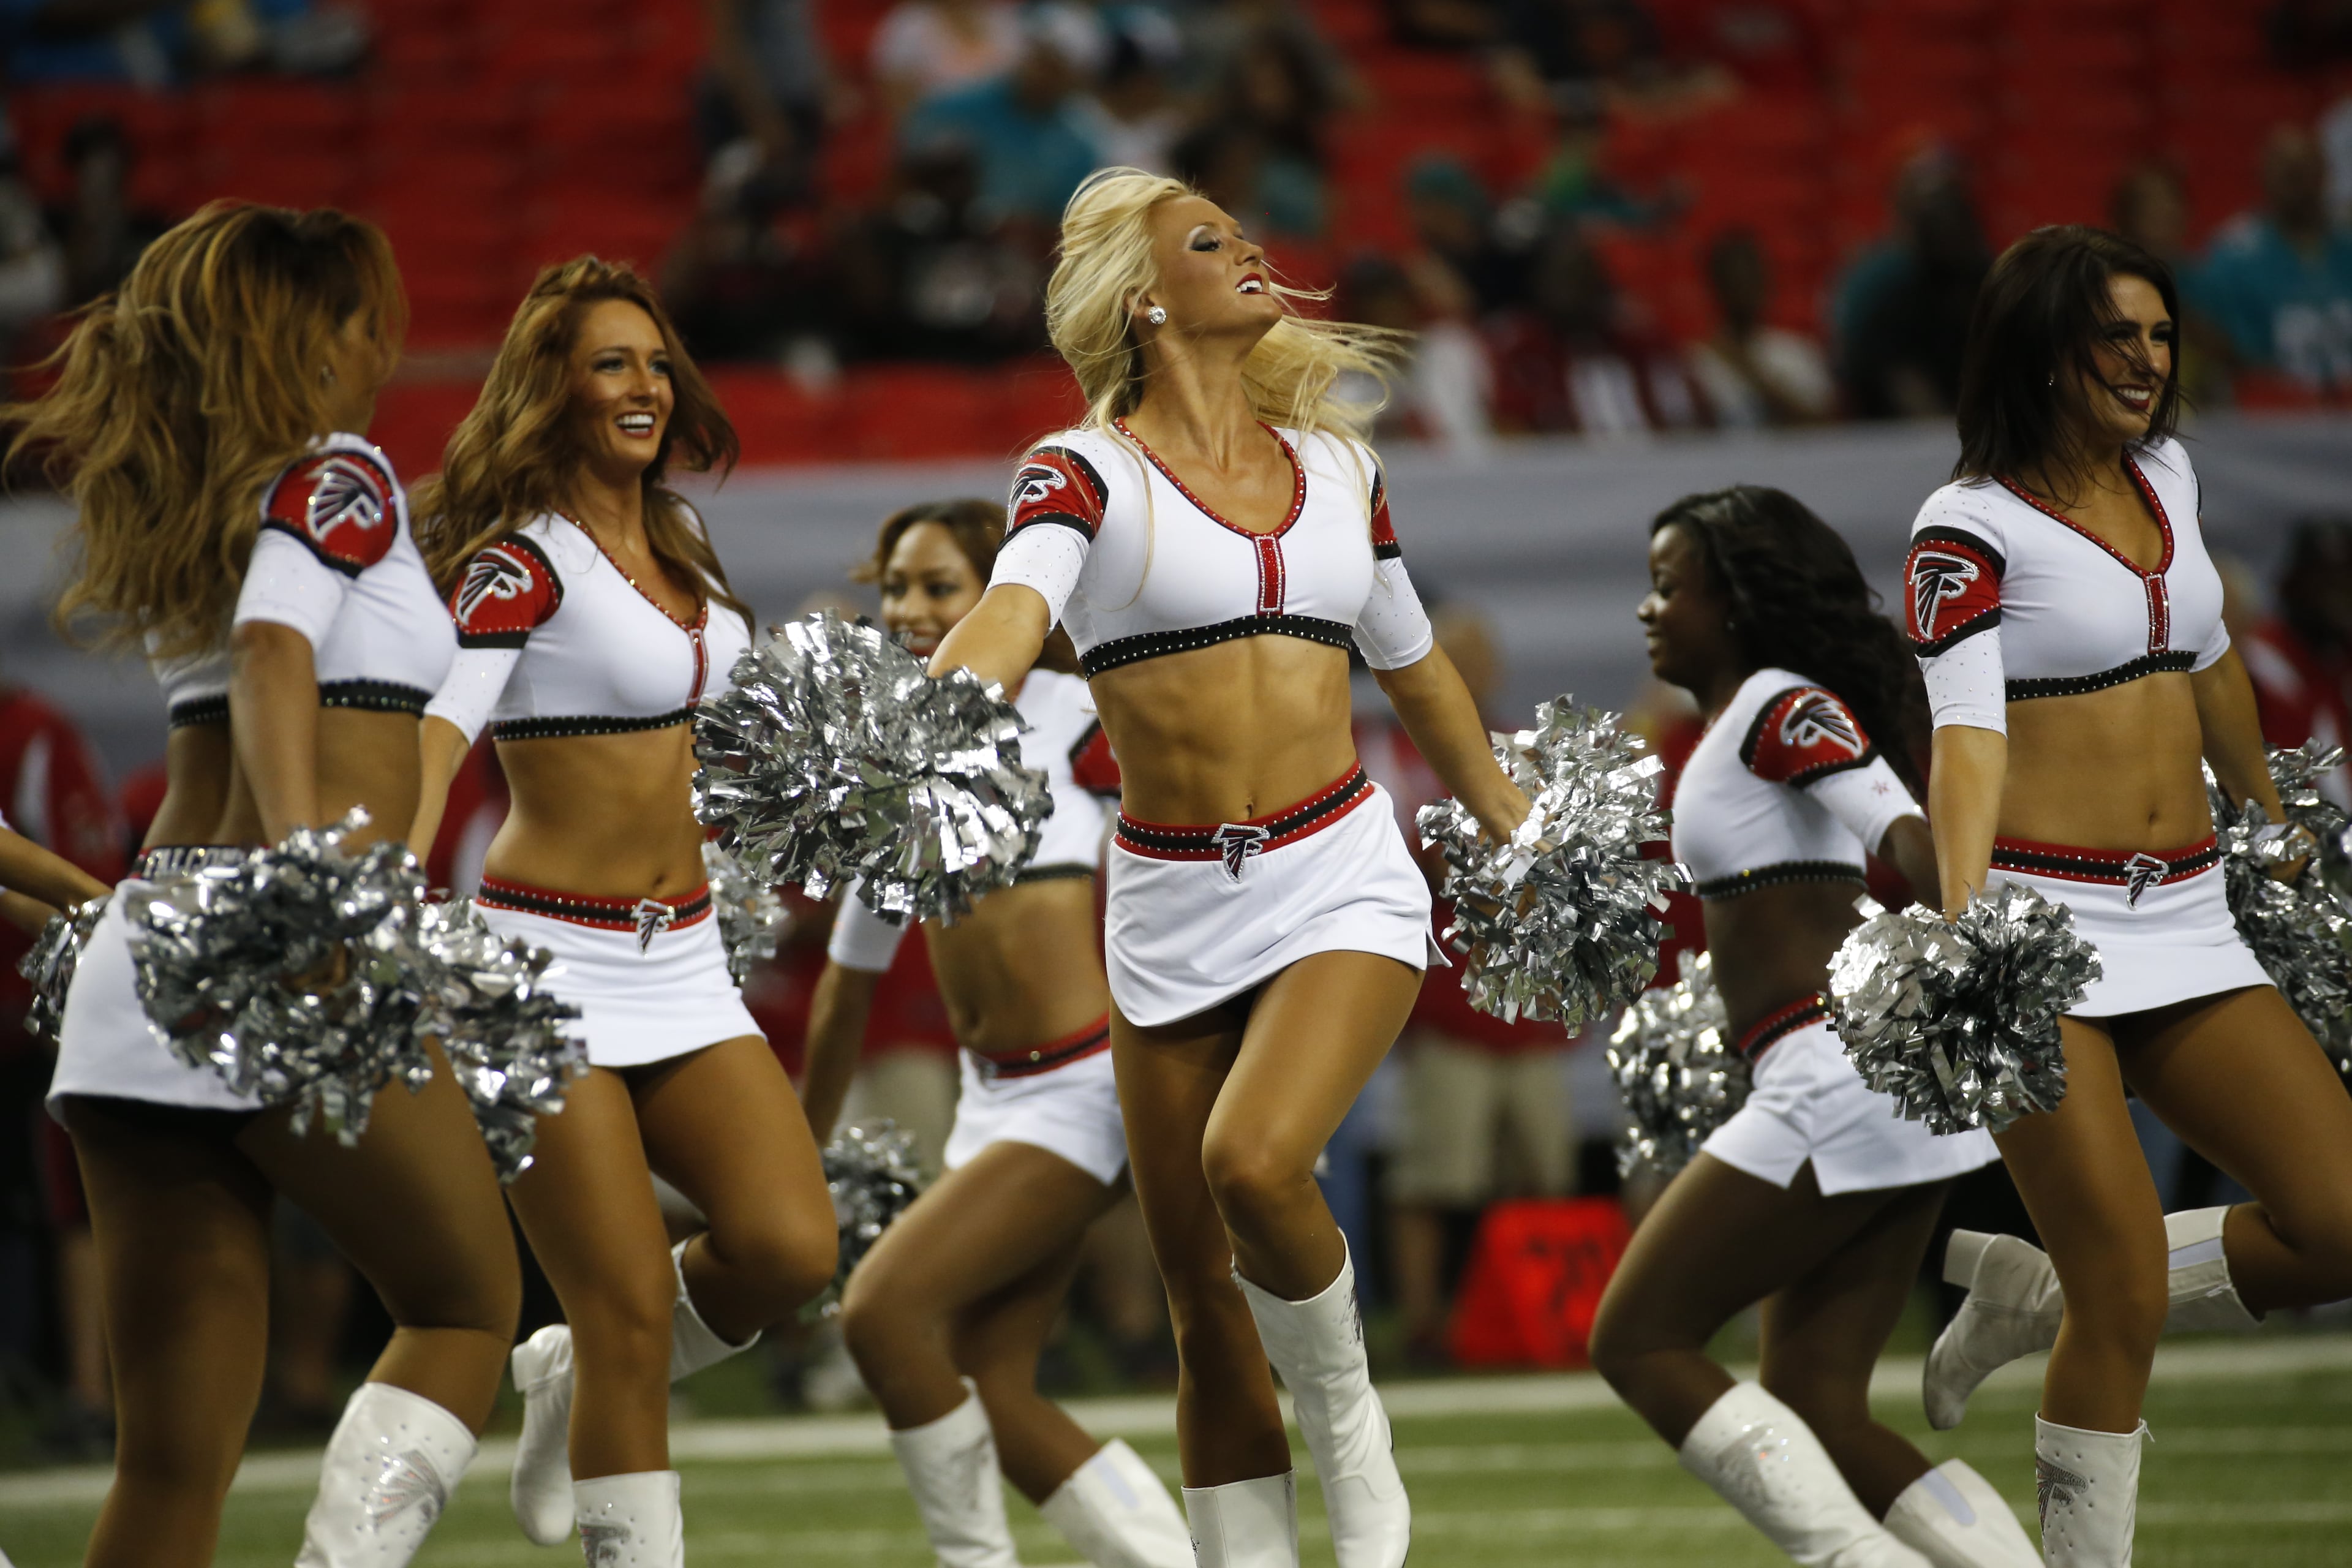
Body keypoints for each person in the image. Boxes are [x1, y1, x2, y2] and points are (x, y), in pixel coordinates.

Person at [922, 166, 1531, 1568]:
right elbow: (1017, 603)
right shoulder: (1081, 471)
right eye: (1210, 241)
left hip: (1338, 866)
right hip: (1168, 895)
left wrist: (1519, 830)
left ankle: (1348, 1417)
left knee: (1253, 1162)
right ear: (1143, 297)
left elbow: (1417, 669)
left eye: (1247, 233)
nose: (1251, 251)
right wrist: (926, 723)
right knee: (1198, 1290)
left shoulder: (1337, 469)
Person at [19, 200, 522, 1568]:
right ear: (314, 339)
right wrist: (306, 878)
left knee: (172, 1461)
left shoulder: (209, 494)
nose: (384, 349)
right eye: (366, 321)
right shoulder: (334, 474)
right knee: (468, 1302)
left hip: (145, 948)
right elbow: (274, 647)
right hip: (271, 934)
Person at [1901, 224, 2352, 1564]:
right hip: (2047, 929)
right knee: (2128, 1300)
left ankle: (2034, 1289)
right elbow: (1967, 734)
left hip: (2195, 914)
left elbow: (2209, 659)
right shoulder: (1965, 525)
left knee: (2338, 1222)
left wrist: (2271, 831)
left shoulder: (2169, 475)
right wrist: (1967, 922)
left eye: (2161, 335)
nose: (2148, 360)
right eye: (2118, 336)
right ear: (2044, 351)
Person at [409, 258, 837, 1566]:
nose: (644, 386)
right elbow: (437, 731)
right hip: (543, 968)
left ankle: (563, 1376)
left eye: (656, 363)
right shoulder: (517, 565)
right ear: (556, 387)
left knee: (788, 1245)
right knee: (628, 1305)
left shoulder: (679, 544)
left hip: (686, 957)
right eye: (612, 364)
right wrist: (377, 890)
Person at [1589, 486, 2034, 1568]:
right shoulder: (1745, 716)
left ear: (1737, 603)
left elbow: (1903, 830)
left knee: (1639, 1339)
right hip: (1864, 1084)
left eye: (1669, 587)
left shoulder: (1783, 705)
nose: (1649, 611)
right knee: (1818, 1405)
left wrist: (1992, 949)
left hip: (1837, 1074)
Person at [802, 497, 1190, 1568]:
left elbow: (1194, 868)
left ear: (1003, 597)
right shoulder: (890, 759)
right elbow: (846, 986)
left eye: (940, 587)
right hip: (994, 1100)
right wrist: (793, 1169)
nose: (911, 609)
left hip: (1088, 1086)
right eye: (895, 588)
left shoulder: (1078, 710)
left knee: (882, 1317)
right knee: (987, 1384)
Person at [1833, 146, 1991, 421]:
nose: (1946, 230)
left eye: (1952, 212)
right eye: (1935, 218)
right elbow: (1893, 372)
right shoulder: (1886, 288)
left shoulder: (1987, 278)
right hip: (1897, 429)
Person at [2196, 125, 2352, 393]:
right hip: (2268, 415)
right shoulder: (2234, 256)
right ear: (2264, 176)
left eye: (2304, 171)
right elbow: (2229, 350)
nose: (2297, 184)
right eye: (2287, 173)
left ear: (2324, 174)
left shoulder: (2346, 245)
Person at [1687, 228, 1835, 427]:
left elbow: (1826, 424)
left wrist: (1754, 375)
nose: (1743, 289)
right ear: (1715, 286)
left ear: (1766, 281)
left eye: (1751, 277)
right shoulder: (1698, 362)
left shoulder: (1796, 352)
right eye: (1734, 279)